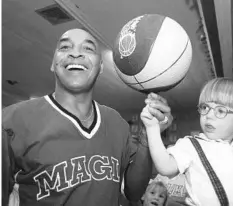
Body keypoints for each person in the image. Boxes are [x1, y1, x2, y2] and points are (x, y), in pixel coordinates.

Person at [2, 28, 173, 206]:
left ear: (100, 67)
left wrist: (148, 136)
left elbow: (134, 193)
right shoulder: (11, 122)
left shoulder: (116, 123)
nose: (75, 53)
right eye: (65, 47)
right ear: (53, 63)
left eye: (88, 49)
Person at [141, 78, 233, 206]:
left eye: (220, 110)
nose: (209, 115)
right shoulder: (191, 145)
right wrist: (152, 128)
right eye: (205, 107)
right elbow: (165, 167)